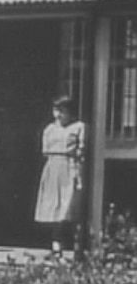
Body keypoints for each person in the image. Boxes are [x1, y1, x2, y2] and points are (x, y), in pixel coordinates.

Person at [34, 95, 86, 258]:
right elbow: (45, 150)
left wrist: (77, 170)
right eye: (56, 111)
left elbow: (81, 150)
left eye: (62, 111)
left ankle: (78, 248)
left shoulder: (78, 127)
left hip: (69, 167)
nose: (58, 115)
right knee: (54, 210)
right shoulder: (49, 129)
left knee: (70, 208)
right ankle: (56, 248)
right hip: (52, 168)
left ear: (69, 112)